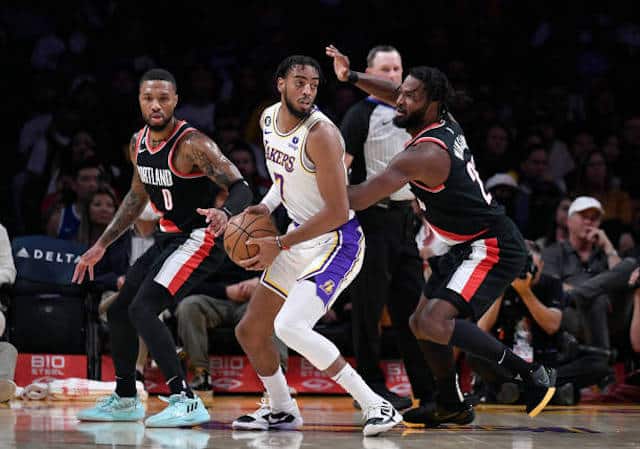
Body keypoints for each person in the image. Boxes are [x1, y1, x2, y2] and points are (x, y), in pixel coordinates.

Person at [326, 44, 556, 426]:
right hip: (462, 244)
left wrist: (312, 182)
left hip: (490, 245)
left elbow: (360, 197)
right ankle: (450, 403)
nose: (399, 100)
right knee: (419, 321)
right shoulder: (441, 116)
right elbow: (395, 92)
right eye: (400, 93)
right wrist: (351, 77)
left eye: (409, 96)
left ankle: (531, 374)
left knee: (434, 322)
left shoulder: (423, 155)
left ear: (430, 103)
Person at [231, 55, 402, 437]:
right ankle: (282, 409)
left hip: (337, 241)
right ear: (280, 83)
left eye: (313, 84)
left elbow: (338, 211)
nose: (307, 90)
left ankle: (377, 405)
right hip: (298, 236)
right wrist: (266, 206)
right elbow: (285, 178)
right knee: (251, 330)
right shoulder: (268, 120)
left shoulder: (322, 134)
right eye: (299, 82)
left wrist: (279, 242)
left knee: (289, 326)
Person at [72, 68, 253, 427]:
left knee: (143, 309)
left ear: (175, 101)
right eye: (148, 98)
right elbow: (135, 197)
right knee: (120, 310)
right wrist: (102, 244)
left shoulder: (193, 144)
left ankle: (186, 400)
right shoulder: (138, 143)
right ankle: (126, 398)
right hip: (168, 238)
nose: (155, 105)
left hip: (200, 238)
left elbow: (241, 186)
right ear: (140, 101)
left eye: (163, 98)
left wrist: (225, 212)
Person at [338, 45, 433, 411]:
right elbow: (340, 170)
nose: (393, 76)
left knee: (413, 309)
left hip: (406, 221)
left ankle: (426, 389)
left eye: (397, 69)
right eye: (385, 70)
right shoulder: (359, 115)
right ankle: (370, 387)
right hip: (369, 220)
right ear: (369, 73)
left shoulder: (416, 115)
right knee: (368, 310)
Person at [470, 241, 611, 406]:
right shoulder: (498, 283)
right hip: (508, 362)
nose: (528, 272)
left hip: (545, 363)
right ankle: (550, 392)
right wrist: (502, 287)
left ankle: (518, 391)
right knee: (474, 353)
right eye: (522, 267)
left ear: (542, 266)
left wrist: (525, 293)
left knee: (598, 363)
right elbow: (482, 329)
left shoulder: (552, 284)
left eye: (533, 267)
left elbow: (552, 326)